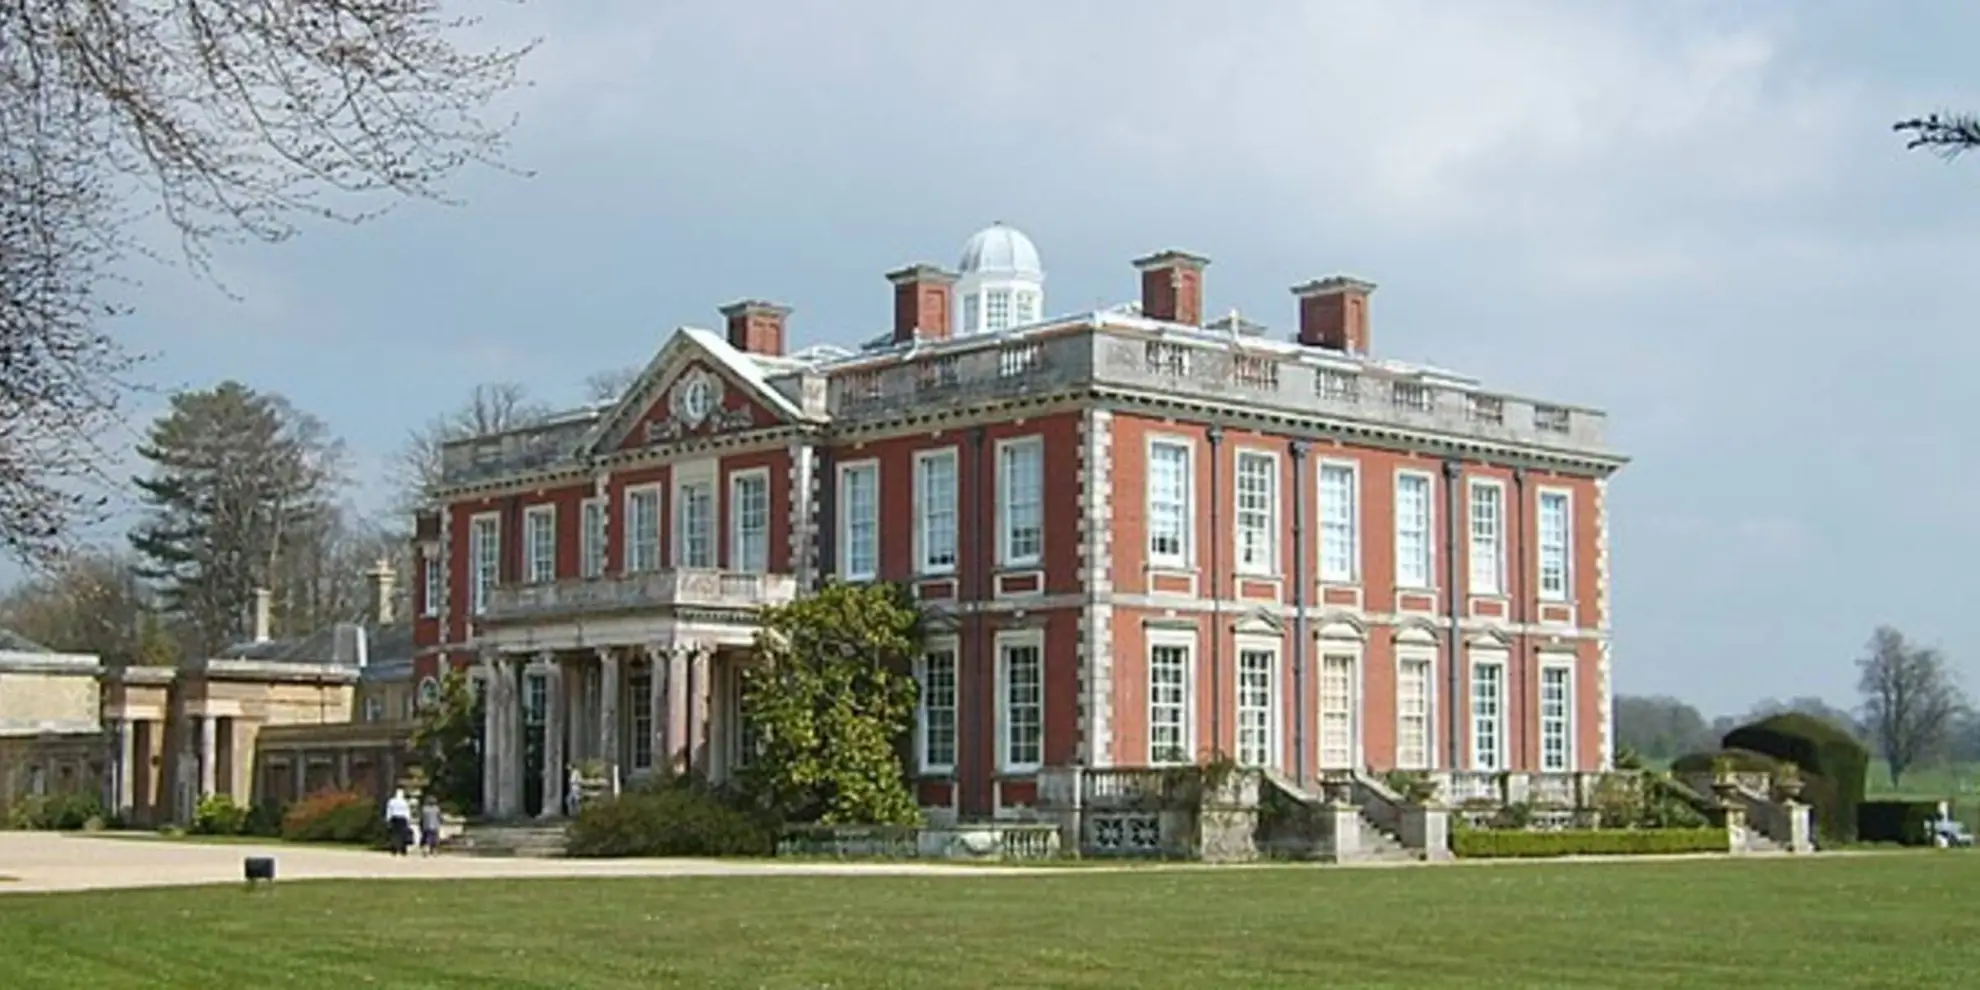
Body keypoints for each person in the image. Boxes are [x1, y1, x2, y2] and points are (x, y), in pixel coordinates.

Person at [384, 788, 413, 856]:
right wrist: (408, 820)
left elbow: (389, 810)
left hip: (395, 818)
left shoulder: (392, 801)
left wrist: (388, 818)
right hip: (403, 819)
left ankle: (394, 849)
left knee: (395, 834)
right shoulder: (405, 802)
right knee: (403, 835)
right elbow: (407, 811)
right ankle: (403, 849)